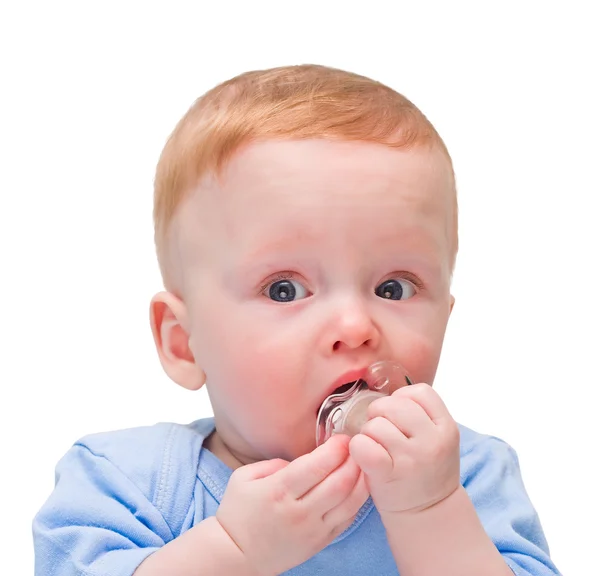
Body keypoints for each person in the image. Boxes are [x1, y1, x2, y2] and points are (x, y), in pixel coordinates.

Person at [33, 64, 561, 575]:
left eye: (392, 288)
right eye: (284, 289)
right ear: (183, 343)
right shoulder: (126, 483)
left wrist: (431, 513)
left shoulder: (468, 475)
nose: (355, 327)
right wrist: (234, 553)